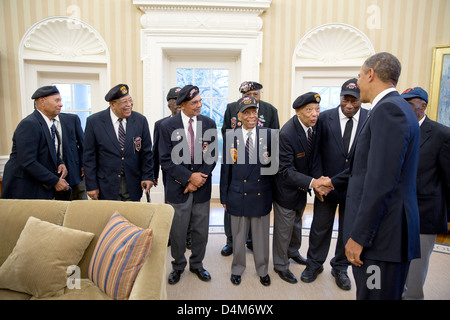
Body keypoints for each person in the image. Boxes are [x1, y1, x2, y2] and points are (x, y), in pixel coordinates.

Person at [330, 52, 421, 300]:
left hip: (381, 241)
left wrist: (358, 237)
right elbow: (367, 168)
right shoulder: (395, 108)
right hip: (384, 236)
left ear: (371, 74)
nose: (357, 83)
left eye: (359, 76)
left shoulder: (388, 111)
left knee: (374, 296)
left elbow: (381, 183)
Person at [304, 79, 368, 289]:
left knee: (347, 230)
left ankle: (340, 267)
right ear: (340, 97)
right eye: (345, 99)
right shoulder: (324, 118)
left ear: (360, 99)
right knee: (320, 227)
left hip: (355, 187)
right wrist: (318, 183)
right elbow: (315, 154)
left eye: (354, 101)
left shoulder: (370, 118)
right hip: (327, 186)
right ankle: (314, 264)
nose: (349, 105)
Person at [159, 85, 217, 285]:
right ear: (181, 105)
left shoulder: (209, 123)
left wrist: (197, 180)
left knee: (201, 231)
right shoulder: (167, 126)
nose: (199, 105)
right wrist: (188, 178)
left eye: (200, 101)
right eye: (194, 103)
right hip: (178, 189)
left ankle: (197, 264)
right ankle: (177, 265)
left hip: (201, 188)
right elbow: (165, 160)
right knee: (178, 231)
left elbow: (211, 157)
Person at [272, 92, 333, 284]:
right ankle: (281, 265)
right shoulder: (287, 133)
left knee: (297, 223)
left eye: (317, 109)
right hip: (286, 190)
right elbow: (285, 171)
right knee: (284, 229)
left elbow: (313, 159)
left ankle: (293, 252)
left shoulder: (313, 128)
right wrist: (314, 183)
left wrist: (316, 183)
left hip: (301, 188)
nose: (315, 114)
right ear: (298, 112)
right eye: (309, 110)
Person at [400, 87, 450, 300]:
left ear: (424, 106)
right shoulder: (398, 129)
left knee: (415, 273)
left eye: (411, 104)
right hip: (397, 213)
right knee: (397, 268)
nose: (407, 108)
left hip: (425, 214)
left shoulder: (442, 134)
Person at [221, 81, 280, 256]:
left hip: (260, 162)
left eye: (255, 94)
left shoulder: (270, 110)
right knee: (233, 203)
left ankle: (253, 240)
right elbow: (226, 132)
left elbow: (275, 137)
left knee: (257, 207)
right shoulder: (232, 108)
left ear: (260, 94)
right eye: (247, 95)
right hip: (237, 156)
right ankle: (231, 240)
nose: (252, 98)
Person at [220, 96, 273, 287]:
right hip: (237, 193)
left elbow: (273, 170)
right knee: (239, 237)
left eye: (254, 112)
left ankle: (262, 270)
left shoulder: (268, 135)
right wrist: (224, 196)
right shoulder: (230, 136)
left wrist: (273, 196)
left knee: (261, 238)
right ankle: (237, 269)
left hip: (261, 193)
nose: (252, 116)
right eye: (247, 113)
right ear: (239, 115)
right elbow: (226, 169)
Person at [83, 84, 154, 201]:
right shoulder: (94, 122)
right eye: (124, 102)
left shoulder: (140, 120)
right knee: (109, 218)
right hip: (105, 186)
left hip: (132, 183)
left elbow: (146, 152)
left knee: (131, 218)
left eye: (130, 100)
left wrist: (147, 176)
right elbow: (89, 157)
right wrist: (91, 185)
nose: (129, 105)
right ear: (112, 104)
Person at [1, 86, 69, 199]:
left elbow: (49, 152)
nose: (61, 104)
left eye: (60, 100)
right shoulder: (29, 124)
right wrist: (54, 181)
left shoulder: (50, 125)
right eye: (57, 100)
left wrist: (60, 163)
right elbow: (27, 161)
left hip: (40, 188)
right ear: (42, 102)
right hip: (25, 190)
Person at [54, 112, 87, 200]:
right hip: (52, 174)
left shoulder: (72, 119)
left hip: (75, 172)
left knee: (81, 207)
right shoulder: (37, 124)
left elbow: (83, 145)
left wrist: (83, 164)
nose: (60, 104)